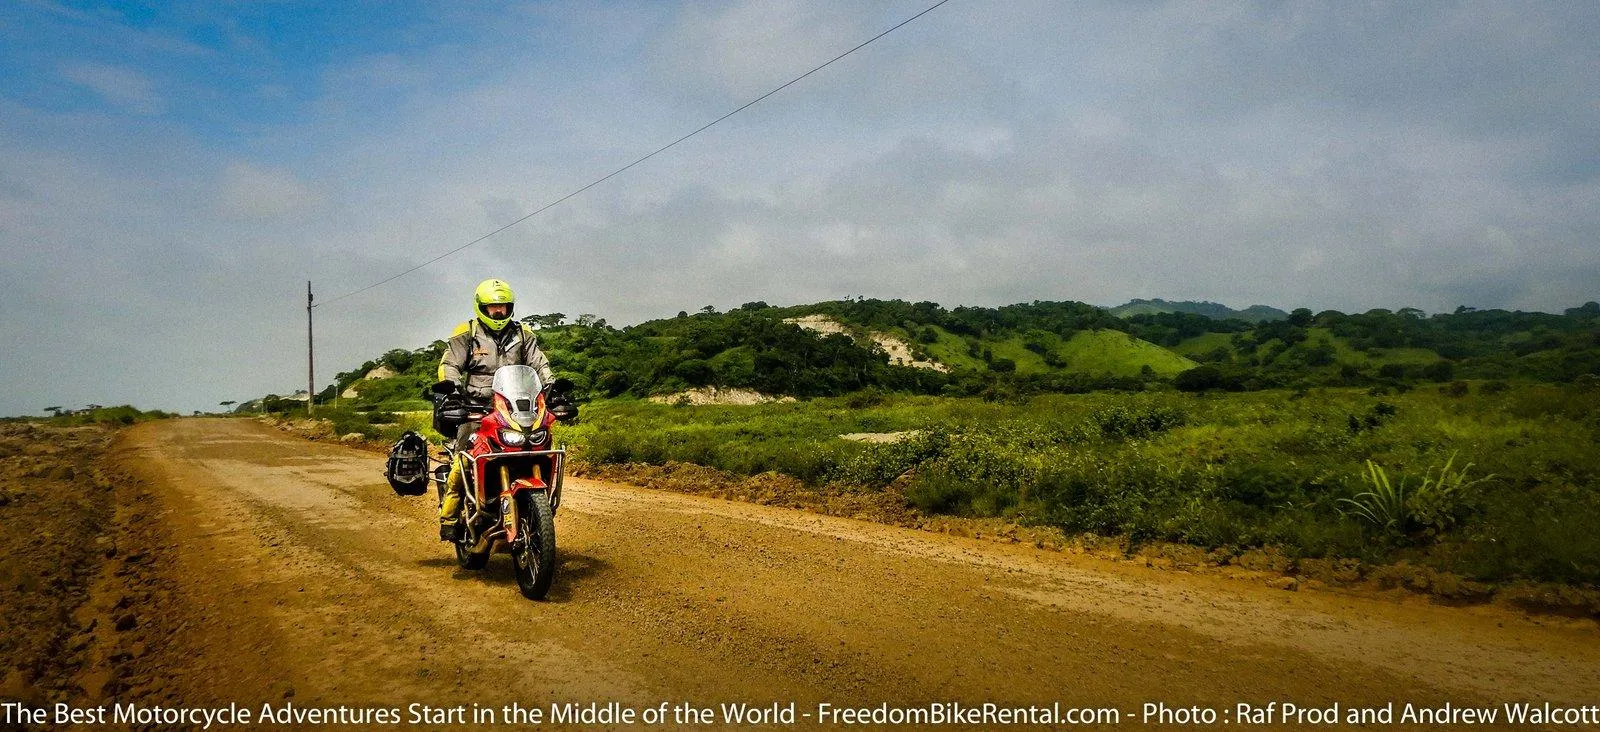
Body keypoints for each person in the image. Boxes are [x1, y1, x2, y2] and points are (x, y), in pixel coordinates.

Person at [436, 278, 555, 540]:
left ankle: (538, 506)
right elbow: (450, 365)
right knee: (464, 458)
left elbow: (539, 365)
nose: (499, 311)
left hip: (513, 407)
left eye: (503, 306)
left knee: (538, 447)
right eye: (493, 307)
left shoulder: (523, 333)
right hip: (476, 408)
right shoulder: (466, 333)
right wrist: (452, 389)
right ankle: (450, 517)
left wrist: (552, 387)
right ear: (482, 307)